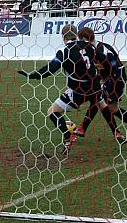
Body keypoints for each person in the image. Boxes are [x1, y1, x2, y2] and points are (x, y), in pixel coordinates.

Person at [17, 25, 118, 153]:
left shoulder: (65, 51)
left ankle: (67, 135)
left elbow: (51, 68)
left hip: (78, 91)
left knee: (52, 111)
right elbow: (102, 59)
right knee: (102, 104)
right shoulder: (89, 46)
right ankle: (117, 133)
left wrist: (34, 75)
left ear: (63, 37)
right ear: (76, 34)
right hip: (95, 87)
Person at [75, 28, 127, 140]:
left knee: (106, 105)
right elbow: (101, 68)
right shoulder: (94, 49)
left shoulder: (101, 51)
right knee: (102, 103)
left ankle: (83, 128)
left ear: (84, 39)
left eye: (80, 40)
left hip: (116, 80)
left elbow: (114, 67)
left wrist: (110, 83)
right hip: (110, 80)